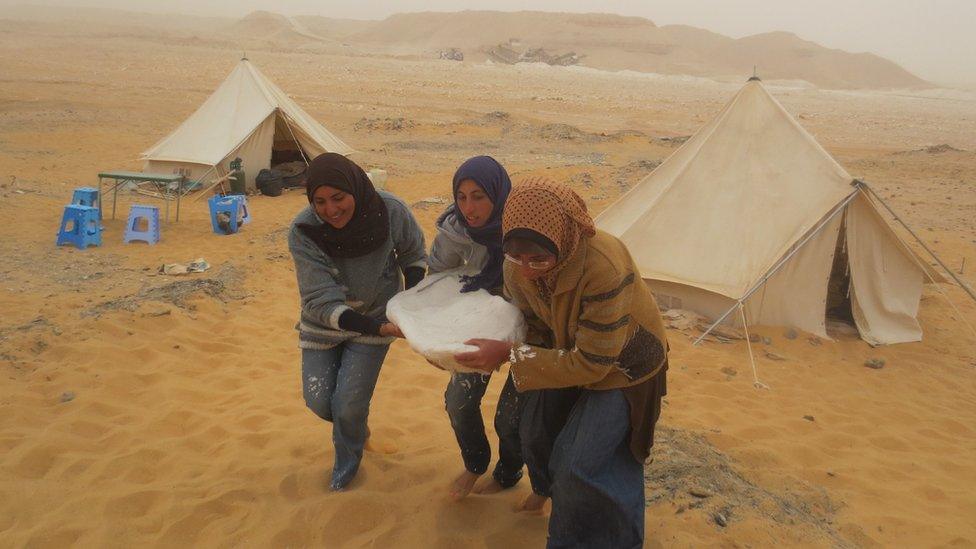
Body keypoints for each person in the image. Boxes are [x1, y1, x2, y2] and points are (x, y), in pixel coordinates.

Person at [456, 178, 669, 547]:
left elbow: (593, 364)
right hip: (567, 352)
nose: (526, 269)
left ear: (563, 239)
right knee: (534, 432)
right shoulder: (517, 267)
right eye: (516, 256)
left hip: (624, 366)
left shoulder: (603, 265)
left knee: (582, 466)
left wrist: (508, 354)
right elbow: (535, 325)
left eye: (539, 258)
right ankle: (558, 511)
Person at [288, 153, 427, 491]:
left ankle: (347, 463)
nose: (331, 209)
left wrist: (411, 302)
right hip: (324, 324)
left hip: (377, 313)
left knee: (348, 403)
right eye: (319, 201)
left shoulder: (391, 211)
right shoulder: (304, 230)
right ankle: (357, 428)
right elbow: (320, 300)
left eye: (338, 198)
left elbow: (413, 254)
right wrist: (379, 328)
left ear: (355, 188)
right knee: (320, 402)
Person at [427, 156, 525, 500]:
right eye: (462, 196)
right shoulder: (456, 230)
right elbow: (438, 278)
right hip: (479, 325)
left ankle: (509, 472)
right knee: (459, 402)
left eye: (479, 196)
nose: (469, 207)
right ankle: (475, 464)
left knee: (510, 419)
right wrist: (435, 338)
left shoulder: (523, 228)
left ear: (498, 194)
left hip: (532, 331)